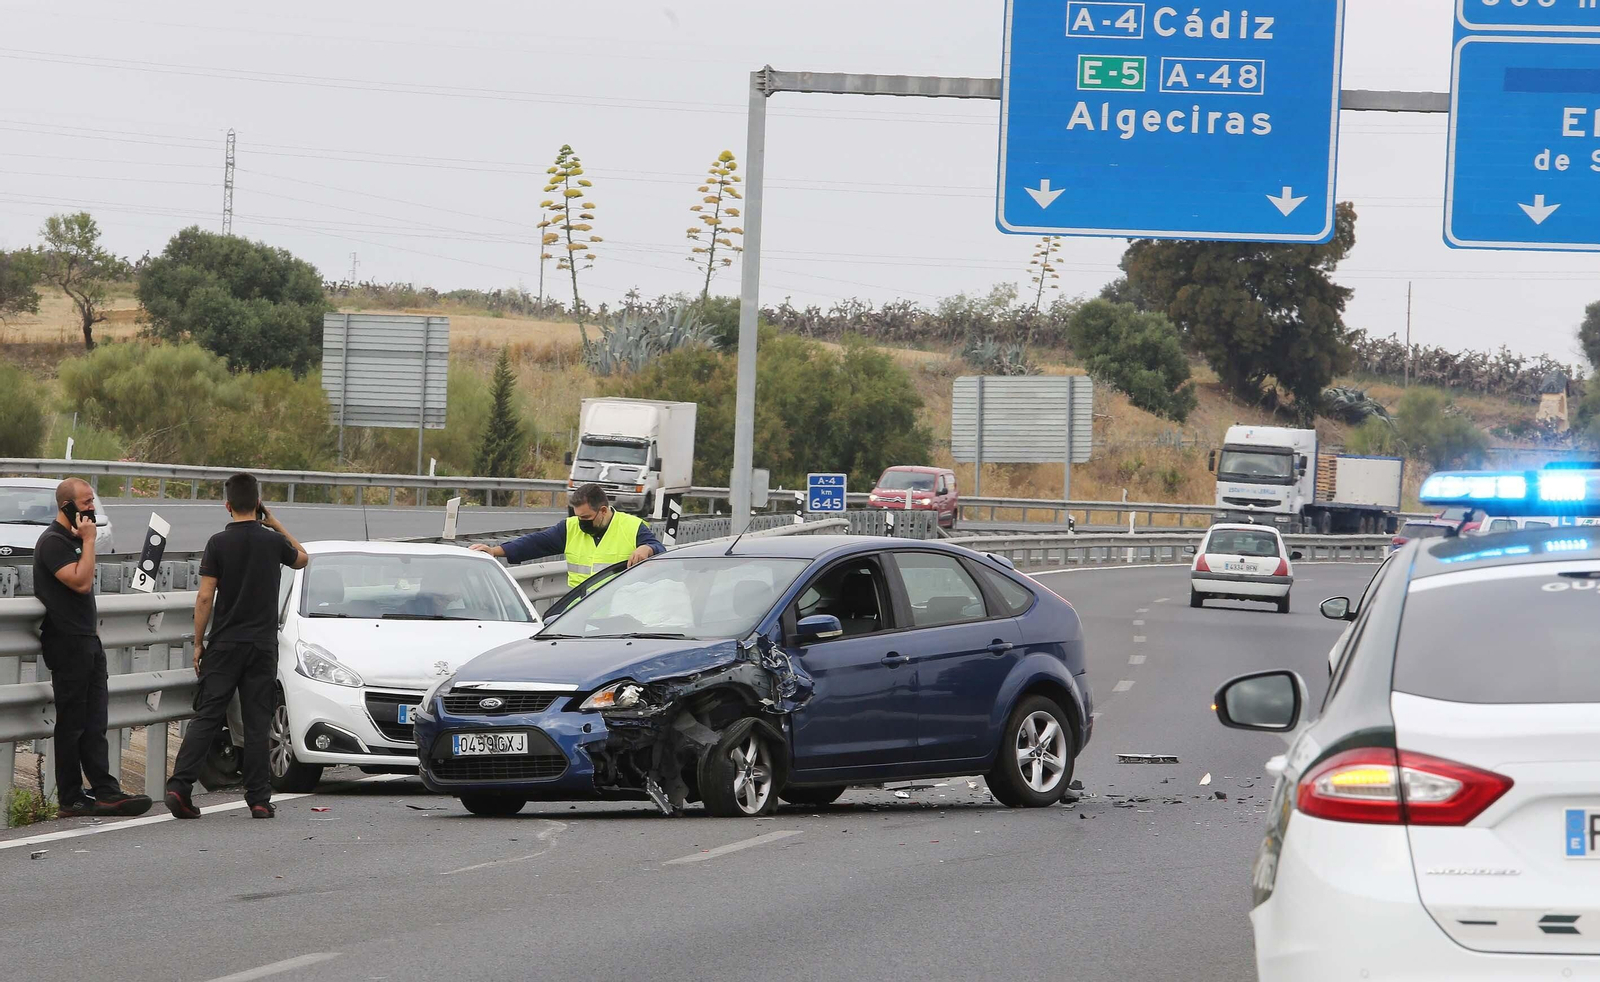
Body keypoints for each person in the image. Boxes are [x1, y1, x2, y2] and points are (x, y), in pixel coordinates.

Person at [166, 473, 308, 820]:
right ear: (257, 504)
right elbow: (302, 558)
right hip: (261, 645)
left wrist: (199, 643)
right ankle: (259, 798)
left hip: (225, 643)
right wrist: (274, 523)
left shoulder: (217, 543)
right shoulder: (273, 543)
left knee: (208, 715)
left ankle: (179, 787)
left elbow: (204, 598)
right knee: (257, 720)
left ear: (227, 505)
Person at [32, 478, 152, 818]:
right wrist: (89, 541)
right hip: (67, 643)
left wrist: (84, 540)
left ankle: (105, 791)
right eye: (85, 502)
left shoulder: (73, 540)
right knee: (73, 724)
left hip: (88, 641)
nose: (91, 509)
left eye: (92, 502)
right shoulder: (53, 542)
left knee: (96, 720)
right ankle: (70, 797)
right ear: (66, 505)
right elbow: (81, 582)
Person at [471, 483, 662, 586]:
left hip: (621, 618)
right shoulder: (570, 528)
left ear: (603, 511)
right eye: (577, 516)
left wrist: (647, 548)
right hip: (579, 614)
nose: (581, 522)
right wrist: (495, 551)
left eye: (586, 517)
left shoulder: (633, 527)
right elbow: (536, 543)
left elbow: (660, 550)